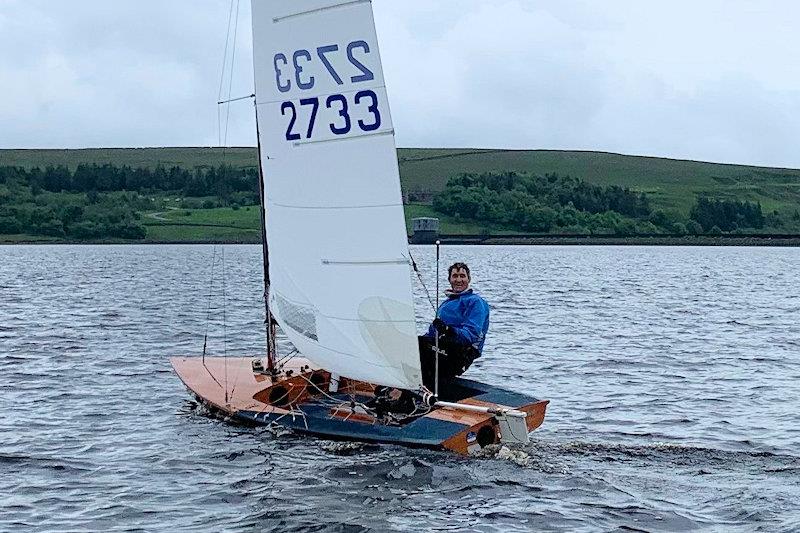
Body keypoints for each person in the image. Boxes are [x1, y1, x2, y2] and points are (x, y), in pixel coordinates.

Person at [418, 262, 490, 392]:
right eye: (455, 276)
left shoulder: (475, 302)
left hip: (462, 352)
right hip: (442, 349)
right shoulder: (446, 304)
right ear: (449, 279)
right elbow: (431, 334)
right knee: (414, 345)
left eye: (462, 276)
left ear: (469, 279)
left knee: (421, 348)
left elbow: (471, 335)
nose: (458, 280)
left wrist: (448, 330)